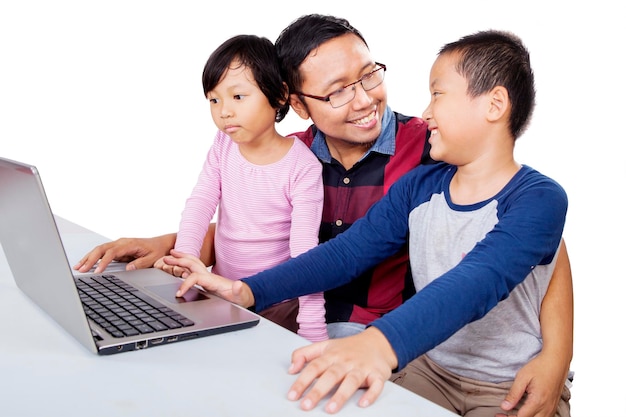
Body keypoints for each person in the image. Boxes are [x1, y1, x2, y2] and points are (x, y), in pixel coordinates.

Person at [73, 14, 572, 416]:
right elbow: (292, 236)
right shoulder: (292, 157)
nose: (363, 98)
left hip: (396, 335)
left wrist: (557, 356)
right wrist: (179, 250)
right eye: (336, 91)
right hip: (331, 331)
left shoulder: (431, 152)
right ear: (297, 103)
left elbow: (518, 260)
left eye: (369, 75)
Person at [153, 34, 327, 342]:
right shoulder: (224, 146)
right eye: (214, 99)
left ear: (279, 95)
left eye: (238, 97)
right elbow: (201, 201)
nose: (224, 111)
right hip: (217, 289)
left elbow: (305, 254)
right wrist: (184, 257)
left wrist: (313, 332)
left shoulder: (303, 166)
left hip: (274, 304)